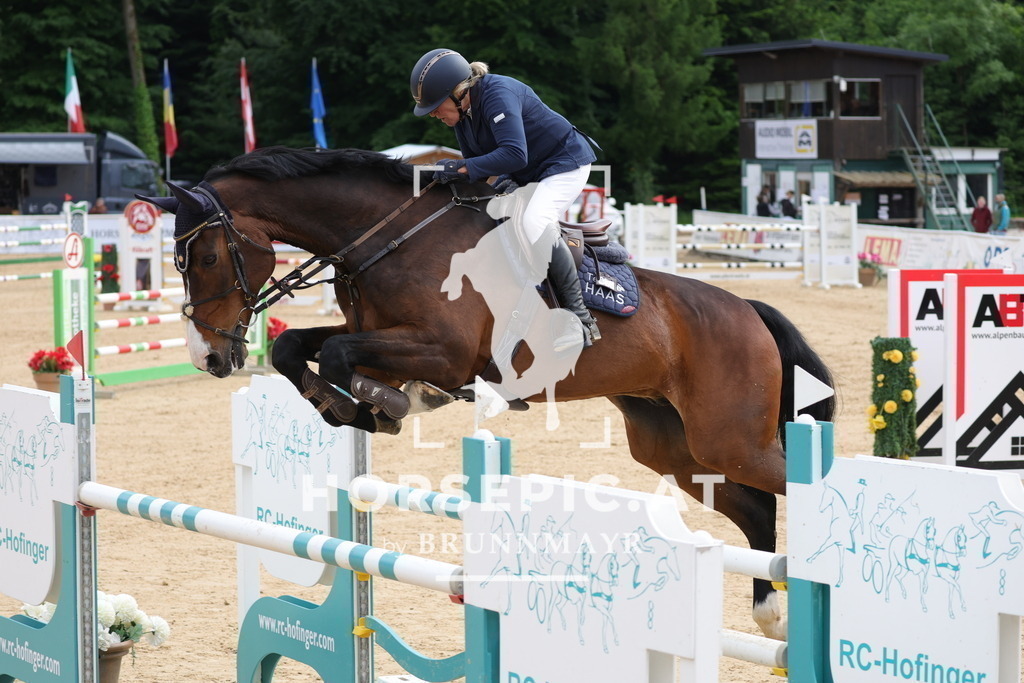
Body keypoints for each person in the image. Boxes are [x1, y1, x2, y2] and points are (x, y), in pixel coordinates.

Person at [410, 48, 601, 346]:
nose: (433, 113)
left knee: (534, 220)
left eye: (436, 105)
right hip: (525, 173)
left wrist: (460, 168)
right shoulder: (463, 117)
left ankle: (579, 321)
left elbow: (513, 154)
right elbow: (480, 169)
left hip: (563, 164)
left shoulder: (498, 93)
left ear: (459, 92)